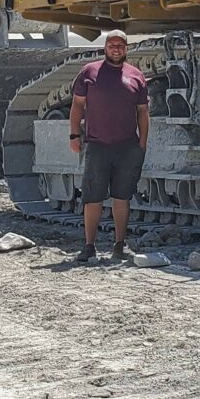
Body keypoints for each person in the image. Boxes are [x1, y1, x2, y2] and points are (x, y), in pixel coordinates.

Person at [68, 30, 150, 262]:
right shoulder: (89, 72)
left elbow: (143, 111)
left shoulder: (136, 76)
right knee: (92, 197)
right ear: (105, 47)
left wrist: (142, 143)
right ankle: (89, 246)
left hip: (127, 146)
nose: (116, 49)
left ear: (126, 48)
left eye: (120, 45)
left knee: (122, 197)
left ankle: (120, 245)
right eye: (112, 45)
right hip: (98, 145)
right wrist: (74, 135)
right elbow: (77, 105)